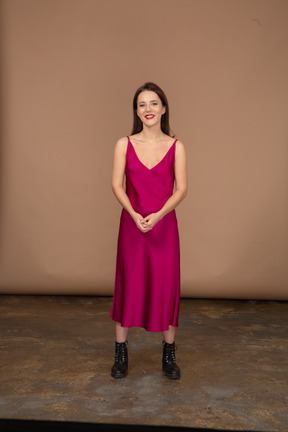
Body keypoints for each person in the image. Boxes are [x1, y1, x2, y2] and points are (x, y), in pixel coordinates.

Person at [110, 82, 187, 379]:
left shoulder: (176, 146)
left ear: (164, 108)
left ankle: (169, 356)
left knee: (165, 285)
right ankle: (120, 353)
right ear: (136, 111)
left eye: (154, 103)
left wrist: (158, 216)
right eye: (142, 104)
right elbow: (117, 185)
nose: (148, 109)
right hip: (132, 227)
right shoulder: (123, 144)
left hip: (164, 227)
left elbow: (182, 189)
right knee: (128, 284)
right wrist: (134, 214)